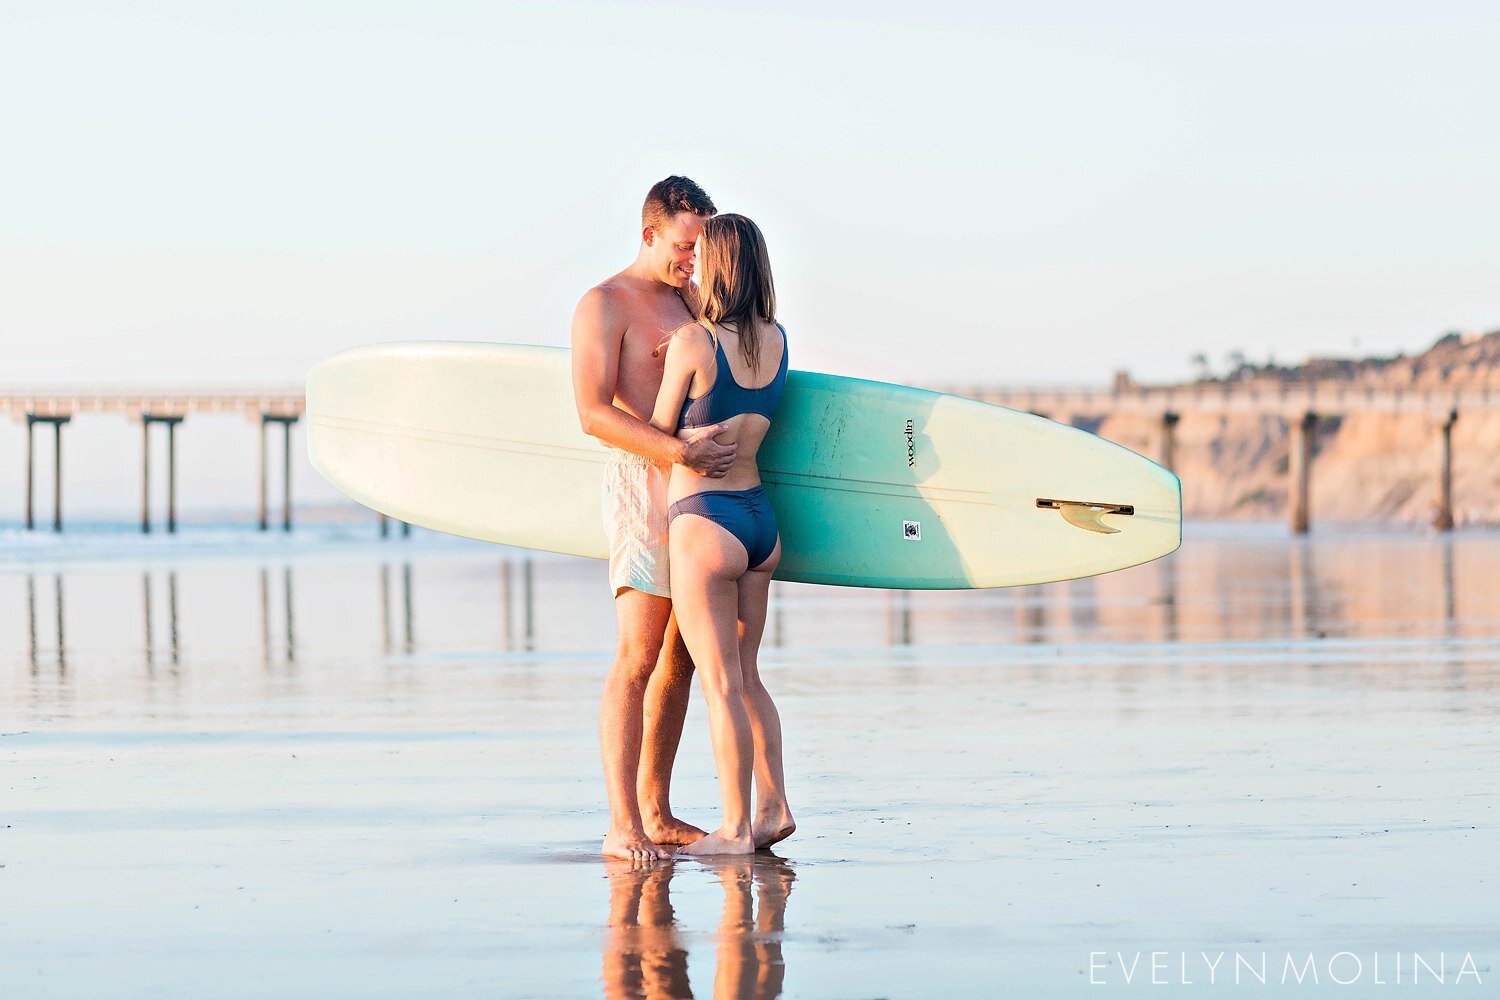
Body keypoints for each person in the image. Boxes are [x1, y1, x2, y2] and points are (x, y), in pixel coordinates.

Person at [572, 176, 736, 863]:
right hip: (643, 490)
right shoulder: (604, 304)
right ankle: (622, 824)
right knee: (638, 656)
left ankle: (658, 811)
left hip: (700, 496)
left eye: (700, 249)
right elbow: (592, 413)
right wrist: (676, 447)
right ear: (649, 233)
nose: (692, 261)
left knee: (683, 659)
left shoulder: (692, 302)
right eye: (682, 246)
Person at [649, 214, 795, 856]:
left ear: (718, 264)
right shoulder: (778, 339)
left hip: (706, 520)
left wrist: (678, 435)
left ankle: (735, 828)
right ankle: (774, 807)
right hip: (761, 524)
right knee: (750, 677)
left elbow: (655, 438)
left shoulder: (694, 344)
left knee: (720, 684)